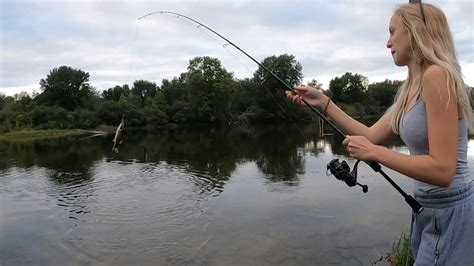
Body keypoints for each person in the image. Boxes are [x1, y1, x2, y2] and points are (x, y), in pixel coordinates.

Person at [286, 2, 473, 265]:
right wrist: (324, 103)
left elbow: (443, 171)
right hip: (428, 208)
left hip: (450, 210)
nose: (388, 43)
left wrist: (376, 154)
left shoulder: (437, 76)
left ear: (415, 31)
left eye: (392, 31)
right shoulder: (411, 88)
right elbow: (371, 135)